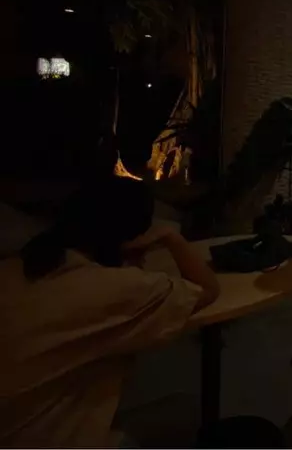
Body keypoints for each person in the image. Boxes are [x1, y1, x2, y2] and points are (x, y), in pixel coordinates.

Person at [0, 176, 220, 448]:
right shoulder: (117, 289)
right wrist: (171, 237)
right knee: (187, 410)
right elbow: (207, 289)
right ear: (133, 239)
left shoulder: (14, 268)